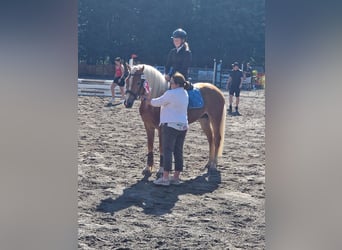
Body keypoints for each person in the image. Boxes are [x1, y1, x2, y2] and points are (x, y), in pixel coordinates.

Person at [144, 72, 189, 186]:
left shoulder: (170, 93)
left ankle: (165, 178)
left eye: (171, 82)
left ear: (177, 84)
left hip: (170, 125)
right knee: (178, 151)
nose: (170, 84)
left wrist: (148, 98)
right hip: (183, 125)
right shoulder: (185, 93)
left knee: (167, 151)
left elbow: (156, 103)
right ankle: (176, 177)